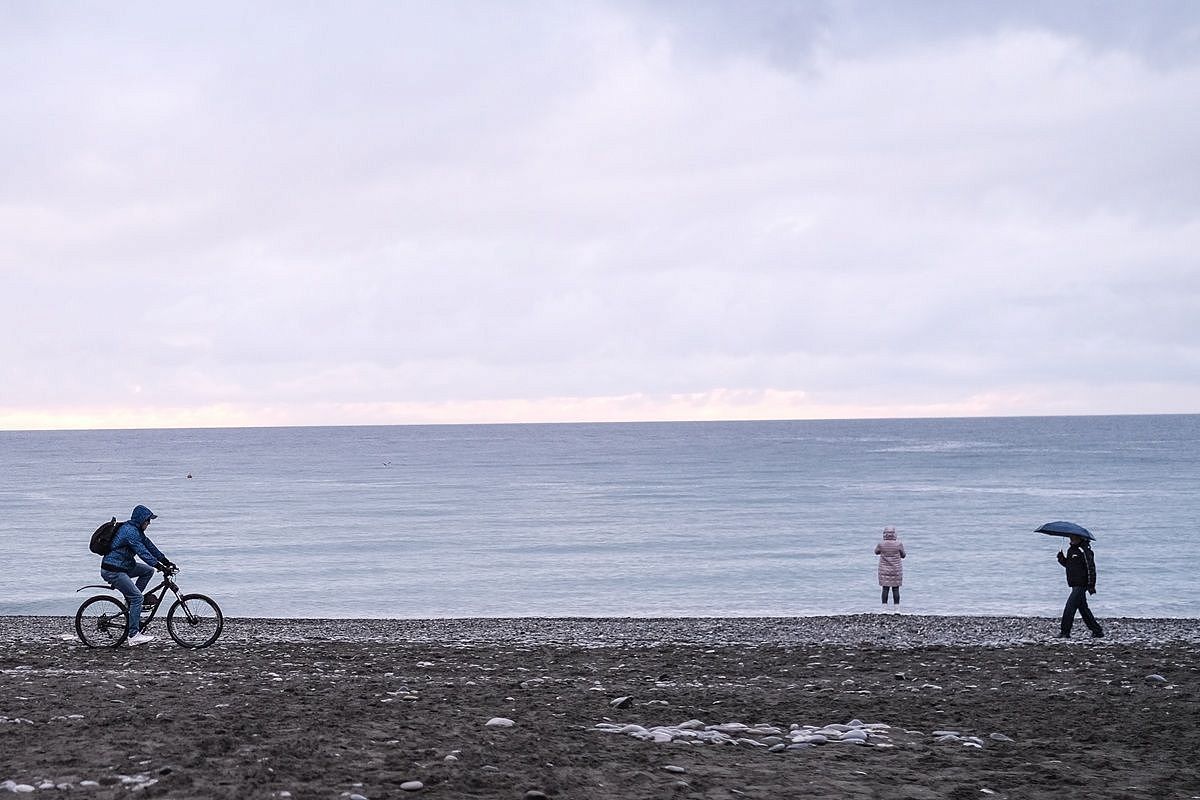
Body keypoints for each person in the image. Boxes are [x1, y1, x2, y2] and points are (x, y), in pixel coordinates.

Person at [99, 505, 177, 646]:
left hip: (123, 566)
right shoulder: (130, 532)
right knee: (137, 598)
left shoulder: (137, 531)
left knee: (148, 571)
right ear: (141, 520)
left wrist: (166, 561)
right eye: (147, 520)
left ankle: (129, 601)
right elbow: (142, 552)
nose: (149, 523)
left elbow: (150, 547)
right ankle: (133, 635)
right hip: (113, 569)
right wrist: (160, 566)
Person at [1056, 535, 1104, 638]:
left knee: (1069, 608)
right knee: (1084, 610)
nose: (1071, 539)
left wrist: (1091, 585)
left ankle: (1065, 632)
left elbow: (1091, 568)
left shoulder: (1085, 550)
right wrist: (1061, 559)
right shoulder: (1071, 550)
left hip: (1082, 585)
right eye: (1070, 537)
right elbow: (1069, 565)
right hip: (1073, 584)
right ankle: (1097, 631)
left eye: (1073, 537)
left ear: (1080, 538)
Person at [874, 525, 906, 605]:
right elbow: (903, 555)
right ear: (894, 534)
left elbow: (876, 552)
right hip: (896, 570)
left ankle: (884, 610)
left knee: (885, 589)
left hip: (884, 569)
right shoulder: (899, 544)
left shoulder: (881, 544)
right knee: (896, 589)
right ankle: (897, 610)